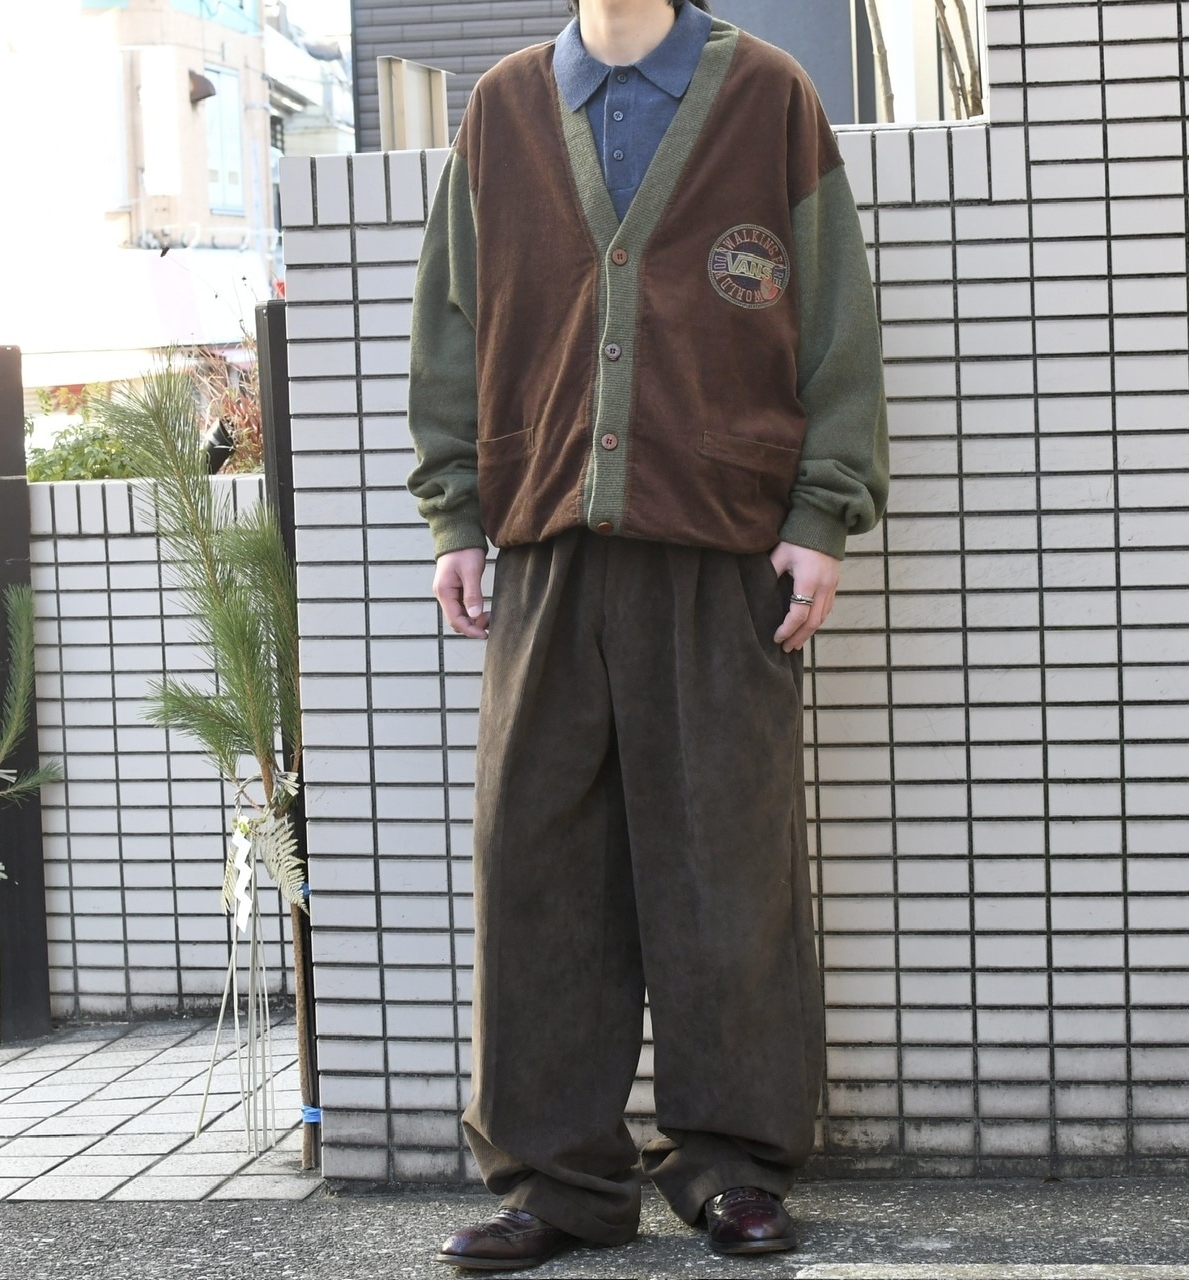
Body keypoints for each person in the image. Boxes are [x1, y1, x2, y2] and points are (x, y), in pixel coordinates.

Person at [407, 0, 888, 1268]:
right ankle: (556, 1179)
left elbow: (834, 318)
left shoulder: (768, 95)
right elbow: (452, 324)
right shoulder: (501, 110)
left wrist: (822, 510)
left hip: (720, 543)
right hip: (544, 541)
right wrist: (454, 511)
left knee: (724, 865)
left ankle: (730, 1163)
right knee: (534, 865)